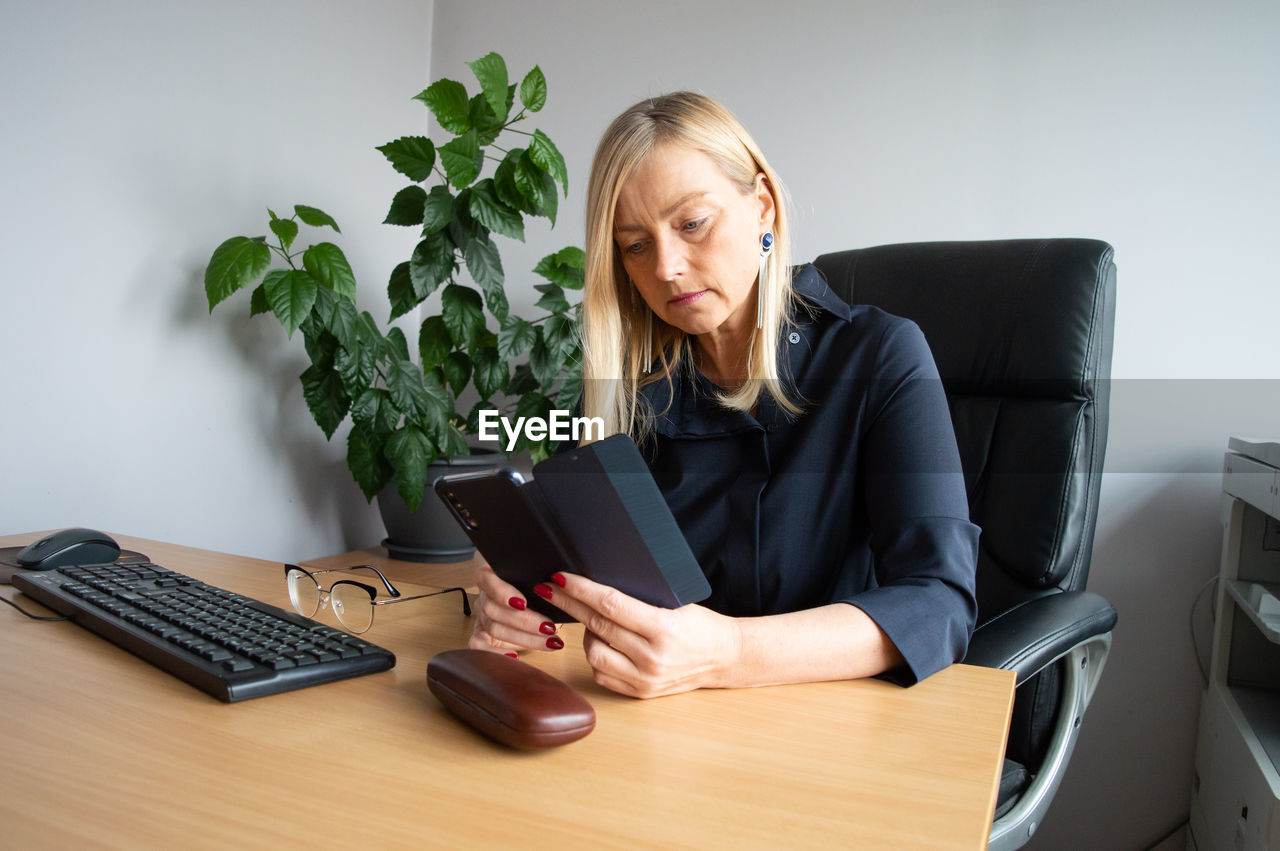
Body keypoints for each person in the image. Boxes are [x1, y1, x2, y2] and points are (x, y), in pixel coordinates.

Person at [469, 91, 979, 698]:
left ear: (762, 206)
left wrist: (729, 654)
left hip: (826, 733)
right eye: (635, 245)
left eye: (692, 224)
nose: (666, 267)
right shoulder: (629, 390)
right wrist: (510, 589)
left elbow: (939, 602)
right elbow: (566, 557)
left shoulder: (879, 355)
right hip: (650, 728)